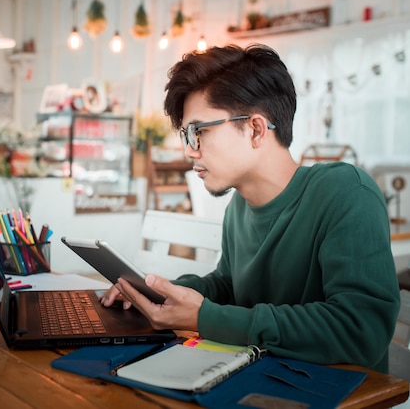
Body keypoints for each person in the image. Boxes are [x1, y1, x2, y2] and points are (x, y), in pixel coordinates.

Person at [101, 44, 400, 373]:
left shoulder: (346, 193)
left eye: (199, 132)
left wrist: (205, 317)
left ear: (256, 129)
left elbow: (361, 330)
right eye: (187, 135)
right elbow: (229, 287)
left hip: (337, 392)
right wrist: (159, 292)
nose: (190, 151)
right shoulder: (239, 207)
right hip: (257, 376)